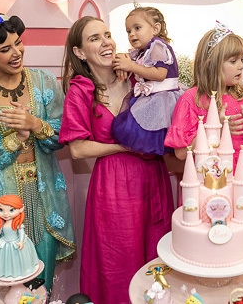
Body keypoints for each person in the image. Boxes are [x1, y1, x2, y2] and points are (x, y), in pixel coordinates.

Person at [0, 12, 74, 285]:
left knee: (41, 273)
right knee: (4, 274)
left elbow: (63, 133)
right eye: (5, 49)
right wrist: (16, 138)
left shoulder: (43, 81)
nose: (17, 52)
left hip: (42, 193)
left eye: (18, 43)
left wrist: (35, 124)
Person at [60, 16, 173, 303]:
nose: (106, 42)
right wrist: (125, 147)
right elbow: (77, 149)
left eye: (107, 35)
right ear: (80, 52)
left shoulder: (138, 77)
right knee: (118, 260)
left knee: (156, 259)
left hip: (153, 179)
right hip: (113, 188)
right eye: (94, 38)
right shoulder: (80, 91)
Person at [165, 23, 243, 235]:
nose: (241, 66)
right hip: (205, 183)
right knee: (205, 237)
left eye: (242, 60)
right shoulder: (191, 100)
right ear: (212, 64)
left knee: (239, 235)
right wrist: (214, 130)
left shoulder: (242, 98)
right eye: (233, 61)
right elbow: (181, 153)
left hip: (240, 177)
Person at [110, 6, 181, 156]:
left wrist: (131, 66)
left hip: (164, 99)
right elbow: (129, 58)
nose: (132, 34)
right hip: (152, 98)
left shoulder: (158, 46)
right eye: (128, 31)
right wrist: (124, 59)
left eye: (137, 28)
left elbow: (160, 74)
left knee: (161, 134)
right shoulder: (143, 51)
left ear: (155, 29)